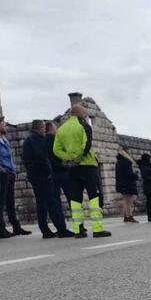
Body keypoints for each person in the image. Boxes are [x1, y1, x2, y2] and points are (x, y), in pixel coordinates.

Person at [52, 102, 111, 238]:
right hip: (88, 166)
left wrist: (68, 158)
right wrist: (78, 157)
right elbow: (87, 144)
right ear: (80, 114)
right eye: (85, 114)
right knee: (94, 196)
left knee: (75, 198)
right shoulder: (84, 126)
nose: (86, 116)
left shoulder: (61, 129)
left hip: (72, 169)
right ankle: (97, 228)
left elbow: (56, 149)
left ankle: (78, 230)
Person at [22, 119, 72, 238]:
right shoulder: (36, 140)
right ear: (40, 128)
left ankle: (45, 229)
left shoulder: (29, 140)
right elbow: (41, 157)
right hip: (42, 175)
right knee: (51, 202)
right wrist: (48, 172)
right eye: (43, 128)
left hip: (35, 175)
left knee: (42, 203)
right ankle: (60, 228)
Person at [0, 117, 30, 235]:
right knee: (1, 201)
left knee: (10, 201)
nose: (5, 126)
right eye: (3, 124)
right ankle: (0, 227)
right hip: (2, 172)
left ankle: (15, 225)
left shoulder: (3, 138)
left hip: (9, 171)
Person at [115, 148, 139, 223]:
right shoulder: (126, 162)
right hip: (127, 184)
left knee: (125, 200)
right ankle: (129, 216)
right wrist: (136, 175)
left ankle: (126, 216)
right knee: (129, 201)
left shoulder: (118, 162)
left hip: (121, 184)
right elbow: (129, 174)